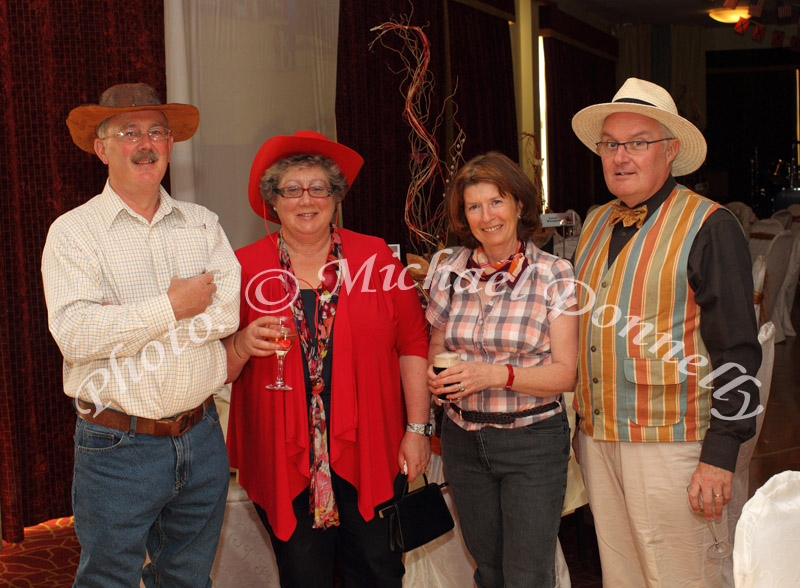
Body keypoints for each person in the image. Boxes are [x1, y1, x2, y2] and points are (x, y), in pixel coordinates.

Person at [41, 83, 240, 587]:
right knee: (109, 579)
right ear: (101, 148)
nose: (145, 144)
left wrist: (124, 320)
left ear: (171, 145)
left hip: (202, 437)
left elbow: (226, 315)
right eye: (128, 133)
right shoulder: (73, 232)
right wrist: (173, 305)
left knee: (189, 579)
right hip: (116, 445)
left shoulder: (203, 224)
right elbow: (76, 334)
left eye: (156, 132)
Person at [569, 77, 762, 587]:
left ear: (671, 150)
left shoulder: (709, 226)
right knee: (622, 575)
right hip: (600, 440)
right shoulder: (593, 222)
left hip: (675, 446)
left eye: (638, 142)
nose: (620, 156)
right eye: (610, 144)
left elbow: (738, 351)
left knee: (684, 575)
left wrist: (720, 457)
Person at [224, 131, 431, 588]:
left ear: (336, 198)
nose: (306, 199)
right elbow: (217, 366)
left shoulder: (375, 256)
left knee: (378, 568)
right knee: (302, 574)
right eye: (291, 189)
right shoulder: (242, 268)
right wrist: (239, 344)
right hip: (282, 448)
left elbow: (414, 342)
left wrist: (417, 430)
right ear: (271, 201)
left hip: (373, 443)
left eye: (319, 188)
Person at [426, 151, 578, 588]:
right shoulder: (447, 273)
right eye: (474, 206)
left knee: (528, 575)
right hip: (462, 442)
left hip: (531, 442)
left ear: (519, 206)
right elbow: (436, 340)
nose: (486, 216)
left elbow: (565, 374)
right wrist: (436, 378)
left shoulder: (555, 274)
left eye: (496, 201)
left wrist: (497, 374)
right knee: (488, 571)